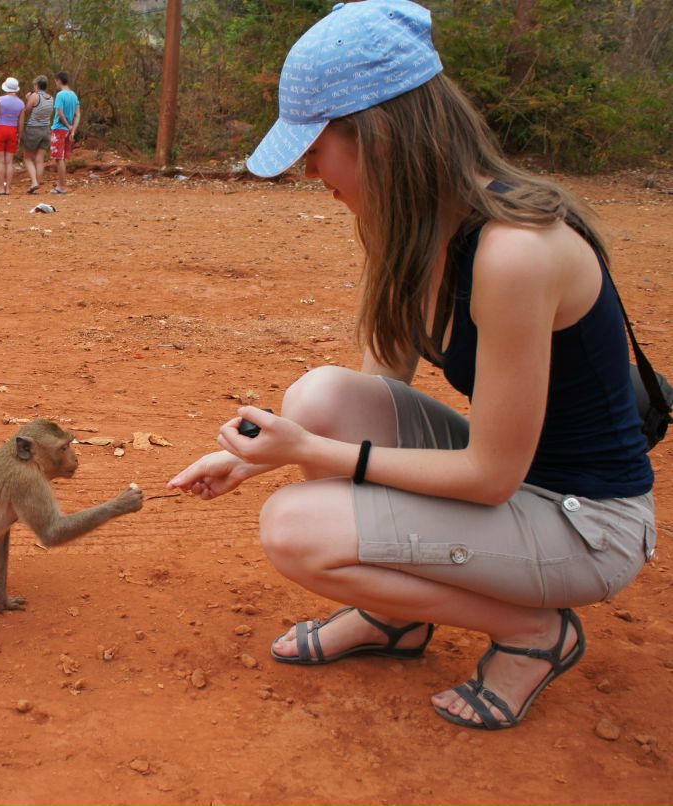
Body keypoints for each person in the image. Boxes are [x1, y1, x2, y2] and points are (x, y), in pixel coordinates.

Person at [169, 0, 655, 731]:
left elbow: (492, 475)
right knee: (324, 394)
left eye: (314, 146)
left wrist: (302, 453)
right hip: (515, 491)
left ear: (381, 136)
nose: (308, 170)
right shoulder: (406, 225)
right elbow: (375, 387)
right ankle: (395, 616)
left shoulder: (513, 253)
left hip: (584, 522)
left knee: (296, 529)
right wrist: (253, 457)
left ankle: (533, 633)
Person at [0, 77, 26, 195]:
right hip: (12, 130)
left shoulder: (0, 100)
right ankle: (8, 188)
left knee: (0, 161)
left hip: (0, 129)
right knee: (10, 162)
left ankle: (0, 188)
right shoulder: (21, 103)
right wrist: (19, 136)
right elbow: (21, 122)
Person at [22, 75, 54, 194]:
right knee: (40, 159)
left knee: (27, 158)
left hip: (34, 129)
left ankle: (34, 182)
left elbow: (27, 111)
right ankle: (37, 185)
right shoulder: (51, 98)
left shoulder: (35, 96)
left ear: (36, 86)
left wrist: (28, 99)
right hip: (46, 129)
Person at [49, 72, 79, 194]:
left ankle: (62, 186)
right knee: (63, 158)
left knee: (58, 158)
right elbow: (78, 114)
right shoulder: (73, 95)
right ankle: (61, 184)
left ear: (59, 81)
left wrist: (68, 125)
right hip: (68, 130)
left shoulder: (60, 95)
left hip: (59, 128)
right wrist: (73, 129)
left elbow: (60, 114)